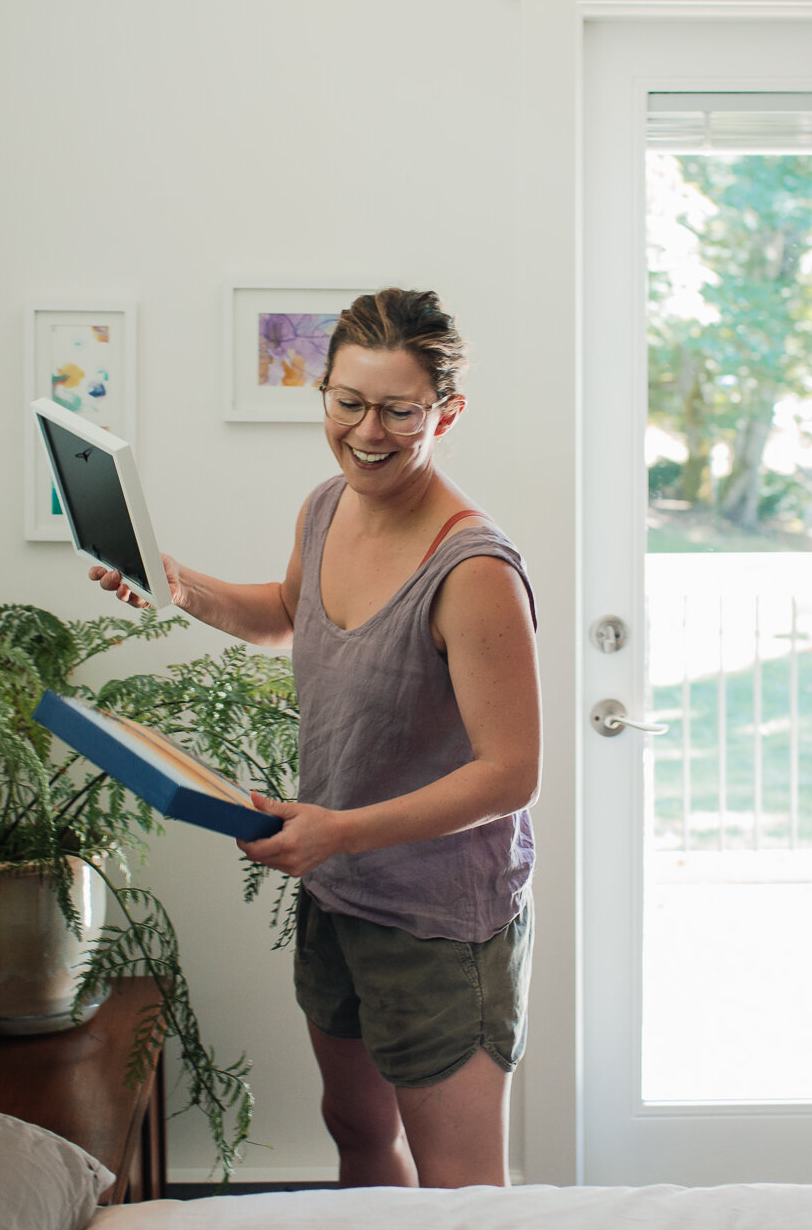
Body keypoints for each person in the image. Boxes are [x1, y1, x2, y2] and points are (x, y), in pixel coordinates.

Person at [89, 288, 540, 1189]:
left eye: (398, 410)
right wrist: (176, 583)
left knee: (461, 1195)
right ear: (324, 392)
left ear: (445, 411)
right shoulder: (326, 506)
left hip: (440, 922)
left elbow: (510, 775)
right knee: (358, 1133)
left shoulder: (475, 568)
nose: (367, 430)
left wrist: (339, 829)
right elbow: (285, 616)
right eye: (348, 401)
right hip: (337, 891)